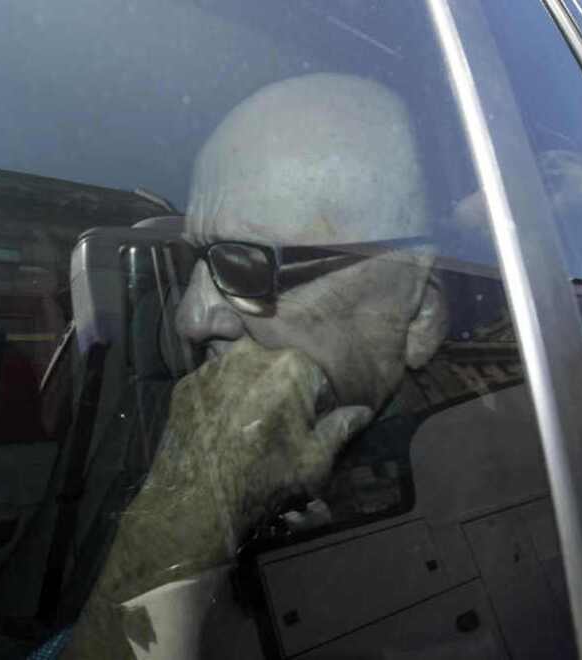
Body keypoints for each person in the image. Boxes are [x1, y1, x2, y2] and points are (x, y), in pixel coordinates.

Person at [62, 72, 449, 659]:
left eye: (245, 268)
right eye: (193, 260)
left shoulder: (463, 489)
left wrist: (170, 536)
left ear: (416, 311)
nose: (192, 318)